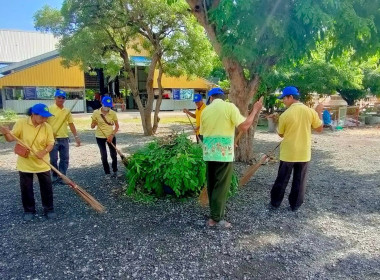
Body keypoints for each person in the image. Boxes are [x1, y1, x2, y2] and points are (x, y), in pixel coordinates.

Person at [200, 88, 263, 228]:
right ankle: (216, 219)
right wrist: (255, 110)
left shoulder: (205, 111)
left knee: (212, 184)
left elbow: (204, 135)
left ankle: (214, 213)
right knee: (221, 186)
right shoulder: (229, 107)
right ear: (223, 97)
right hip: (223, 155)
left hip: (209, 153)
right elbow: (245, 126)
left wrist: (228, 141)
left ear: (211, 98)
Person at [270, 86, 323, 211]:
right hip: (304, 153)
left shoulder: (285, 114)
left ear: (291, 97)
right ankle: (295, 205)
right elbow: (320, 129)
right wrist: (319, 111)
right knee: (299, 180)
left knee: (282, 179)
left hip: (288, 152)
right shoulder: (310, 112)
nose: (283, 101)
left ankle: (275, 203)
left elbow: (281, 134)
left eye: (284, 98)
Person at [0, 103, 56, 221]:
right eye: (42, 116)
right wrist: (5, 132)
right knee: (26, 188)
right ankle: (29, 210)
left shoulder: (47, 127)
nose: (45, 119)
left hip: (42, 162)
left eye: (46, 117)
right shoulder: (21, 123)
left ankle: (49, 208)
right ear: (33, 115)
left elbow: (51, 143)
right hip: (25, 163)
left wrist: (44, 151)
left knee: (46, 187)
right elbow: (11, 139)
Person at [48, 89, 81, 184]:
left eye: (63, 98)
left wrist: (76, 137)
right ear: (55, 98)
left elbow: (71, 124)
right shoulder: (49, 109)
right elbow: (44, 123)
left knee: (65, 158)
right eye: (59, 97)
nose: (61, 99)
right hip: (52, 138)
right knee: (53, 159)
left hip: (64, 138)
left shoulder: (67, 111)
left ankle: (62, 176)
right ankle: (54, 175)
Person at [91, 96, 120, 178]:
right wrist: (94, 124)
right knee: (104, 155)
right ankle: (107, 172)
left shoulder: (113, 113)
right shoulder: (96, 112)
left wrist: (112, 135)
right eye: (105, 105)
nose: (107, 107)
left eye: (108, 106)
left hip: (111, 136)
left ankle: (115, 170)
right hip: (100, 137)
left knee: (113, 154)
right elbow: (92, 126)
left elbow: (117, 126)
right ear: (101, 103)